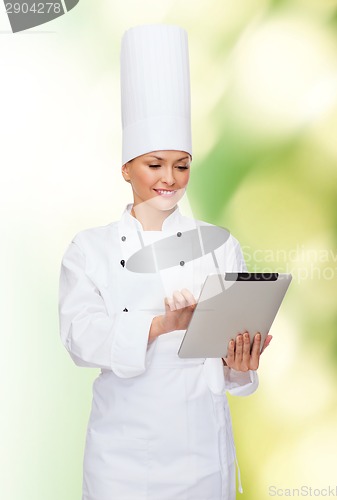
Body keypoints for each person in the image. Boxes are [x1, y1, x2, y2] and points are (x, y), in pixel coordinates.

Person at [58, 25, 270, 500]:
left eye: (182, 164)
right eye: (154, 164)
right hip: (124, 459)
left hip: (202, 453)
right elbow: (80, 338)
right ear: (125, 168)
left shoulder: (219, 245)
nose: (170, 179)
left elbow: (231, 364)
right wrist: (161, 325)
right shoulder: (88, 249)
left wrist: (241, 358)